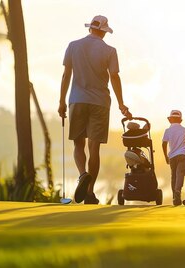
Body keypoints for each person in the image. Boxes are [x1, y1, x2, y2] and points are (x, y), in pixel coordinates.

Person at [58, 15, 132, 204]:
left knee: (78, 144)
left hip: (77, 100)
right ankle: (90, 193)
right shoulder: (109, 50)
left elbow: (66, 75)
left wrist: (61, 101)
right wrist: (121, 103)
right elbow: (114, 76)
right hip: (100, 102)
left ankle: (83, 174)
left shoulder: (73, 46)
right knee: (94, 147)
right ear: (104, 32)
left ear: (90, 28)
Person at [162, 110, 185, 206]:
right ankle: (177, 192)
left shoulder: (167, 131)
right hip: (183, 155)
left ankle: (175, 197)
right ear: (181, 120)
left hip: (172, 156)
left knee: (174, 176)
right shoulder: (184, 130)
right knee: (180, 174)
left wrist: (166, 157)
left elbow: (164, 144)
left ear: (170, 120)